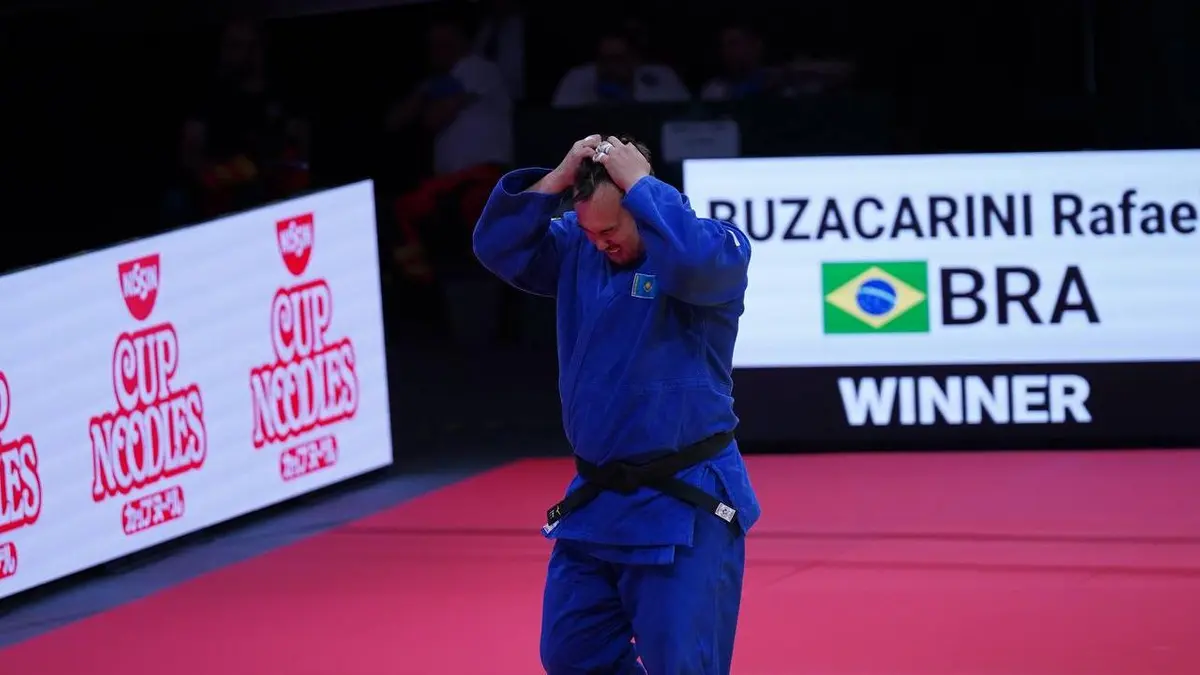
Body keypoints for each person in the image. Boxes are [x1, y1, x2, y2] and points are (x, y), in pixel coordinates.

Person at [472, 135, 761, 674]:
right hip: (598, 502)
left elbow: (693, 265)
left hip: (684, 502)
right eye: (588, 231)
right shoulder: (578, 250)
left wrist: (643, 185)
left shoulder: (715, 248)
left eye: (610, 230)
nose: (599, 243)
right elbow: (498, 248)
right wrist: (559, 176)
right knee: (572, 655)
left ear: (644, 208)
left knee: (684, 666)